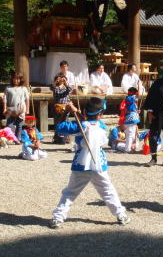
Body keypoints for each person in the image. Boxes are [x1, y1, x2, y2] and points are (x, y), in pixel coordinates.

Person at [49, 98, 131, 228]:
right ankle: (121, 215)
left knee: (70, 192)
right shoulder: (102, 125)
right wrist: (78, 113)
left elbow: (59, 128)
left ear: (86, 112)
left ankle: (58, 218)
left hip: (80, 165)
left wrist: (68, 112)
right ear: (101, 114)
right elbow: (89, 122)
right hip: (99, 164)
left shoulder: (79, 126)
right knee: (108, 191)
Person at [2, 72, 30, 142]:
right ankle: (10, 138)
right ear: (12, 79)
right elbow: (4, 99)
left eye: (18, 79)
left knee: (19, 125)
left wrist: (27, 110)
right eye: (15, 79)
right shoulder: (8, 88)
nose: (16, 80)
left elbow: (27, 99)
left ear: (20, 80)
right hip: (11, 108)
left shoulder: (24, 88)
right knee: (9, 124)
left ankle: (18, 138)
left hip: (21, 108)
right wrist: (4, 109)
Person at [51, 74, 72, 144]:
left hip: (65, 107)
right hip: (57, 107)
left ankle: (66, 138)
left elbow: (70, 90)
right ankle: (56, 138)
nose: (61, 80)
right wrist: (56, 82)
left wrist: (66, 83)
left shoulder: (66, 87)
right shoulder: (55, 87)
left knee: (65, 122)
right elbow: (52, 88)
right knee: (57, 122)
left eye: (63, 79)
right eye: (60, 79)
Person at [119, 87, 140, 153]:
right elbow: (138, 94)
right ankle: (127, 149)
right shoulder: (130, 98)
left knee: (132, 134)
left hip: (132, 117)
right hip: (130, 118)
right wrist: (139, 85)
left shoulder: (130, 99)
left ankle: (129, 147)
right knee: (130, 134)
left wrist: (137, 111)